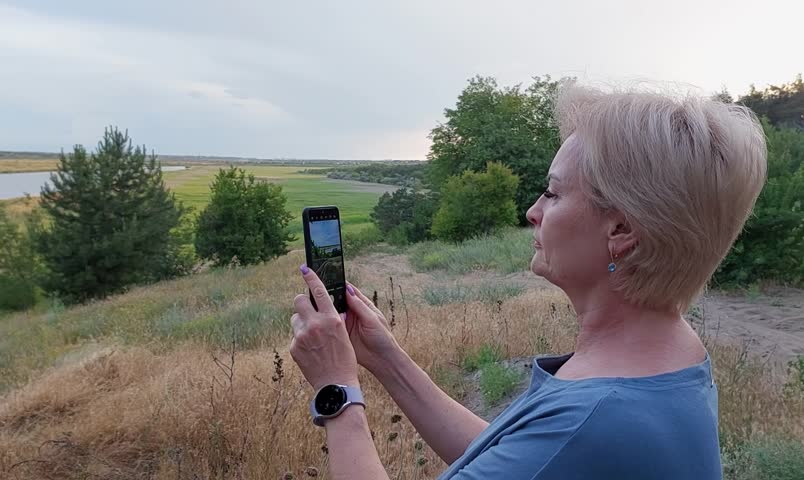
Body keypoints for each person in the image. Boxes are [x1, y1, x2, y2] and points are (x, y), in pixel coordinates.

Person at [289, 84, 767, 479]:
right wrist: (384, 358)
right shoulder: (664, 359)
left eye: (553, 193)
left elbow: (559, 445)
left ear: (621, 231)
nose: (532, 212)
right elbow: (515, 460)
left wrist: (337, 391)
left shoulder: (596, 416)